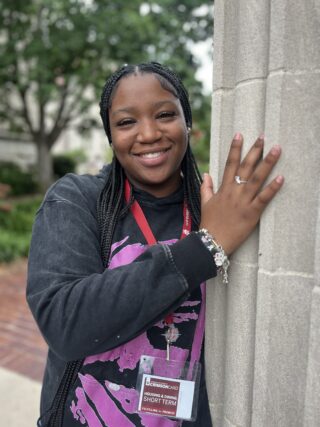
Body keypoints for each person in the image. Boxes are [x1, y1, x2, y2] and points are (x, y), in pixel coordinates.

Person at [27, 62, 284, 427]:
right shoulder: (76, 200)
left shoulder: (215, 210)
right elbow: (65, 322)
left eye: (164, 114)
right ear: (110, 135)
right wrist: (204, 248)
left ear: (187, 123)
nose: (148, 133)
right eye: (126, 122)